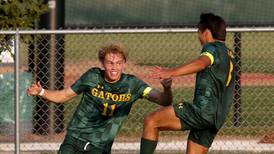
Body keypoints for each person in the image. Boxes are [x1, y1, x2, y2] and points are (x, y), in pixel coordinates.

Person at [27, 42, 173, 154]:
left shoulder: (133, 84)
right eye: (110, 63)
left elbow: (164, 100)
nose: (114, 67)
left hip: (100, 145)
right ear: (103, 63)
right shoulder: (92, 76)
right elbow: (63, 95)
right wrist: (41, 92)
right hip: (74, 138)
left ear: (123, 64)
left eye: (118, 63)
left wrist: (167, 88)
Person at [140, 13, 235, 154]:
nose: (198, 37)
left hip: (202, 112)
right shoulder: (229, 53)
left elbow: (202, 63)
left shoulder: (212, 48)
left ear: (206, 32)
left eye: (199, 32)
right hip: (217, 117)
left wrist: (170, 71)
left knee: (151, 121)